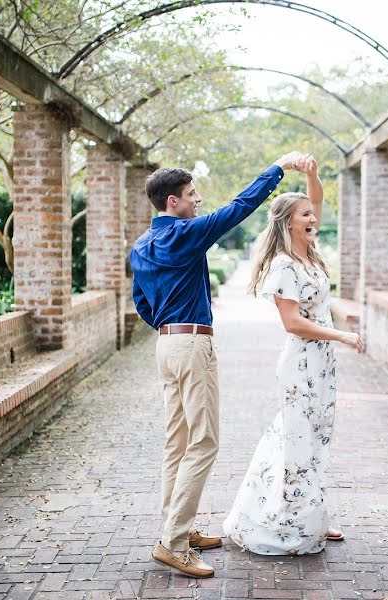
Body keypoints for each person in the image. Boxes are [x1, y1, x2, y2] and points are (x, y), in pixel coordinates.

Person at [130, 151, 308, 578]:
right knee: (205, 441)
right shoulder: (185, 234)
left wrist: (168, 327)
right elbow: (239, 208)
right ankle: (173, 542)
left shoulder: (141, 245)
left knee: (178, 442)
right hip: (192, 345)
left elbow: (140, 301)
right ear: (173, 203)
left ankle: (180, 528)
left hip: (166, 346)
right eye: (191, 194)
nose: (198, 200)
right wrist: (277, 169)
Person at [223, 155, 364, 555]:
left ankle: (313, 516)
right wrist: (340, 334)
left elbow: (316, 202)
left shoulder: (310, 252)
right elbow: (293, 323)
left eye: (312, 213)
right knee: (297, 442)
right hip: (301, 362)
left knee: (316, 440)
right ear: (289, 223)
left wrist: (312, 175)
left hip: (322, 364)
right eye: (305, 214)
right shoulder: (285, 266)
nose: (313, 217)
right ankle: (286, 522)